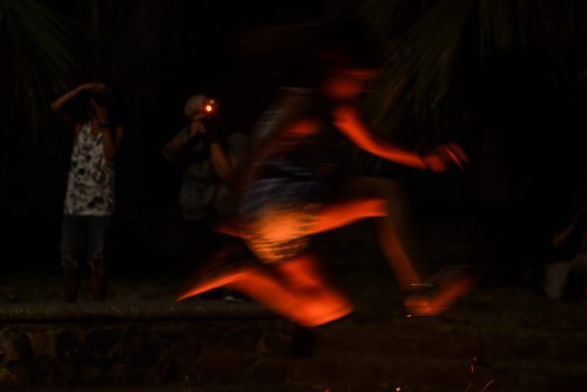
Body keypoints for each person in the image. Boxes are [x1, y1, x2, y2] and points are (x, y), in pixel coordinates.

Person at [177, 21, 473, 327]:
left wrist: (423, 159)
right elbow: (260, 153)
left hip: (272, 224)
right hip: (279, 209)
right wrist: (236, 200)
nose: (363, 90)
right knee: (384, 196)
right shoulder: (306, 104)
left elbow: (371, 143)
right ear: (335, 66)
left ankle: (243, 272)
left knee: (325, 308)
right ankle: (419, 289)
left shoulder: (324, 103)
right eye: (359, 80)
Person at [50, 82, 124, 301]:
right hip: (74, 205)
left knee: (98, 262)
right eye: (96, 97)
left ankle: (97, 311)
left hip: (101, 207)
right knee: (69, 260)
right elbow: (54, 108)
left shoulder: (115, 129)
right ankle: (70, 308)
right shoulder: (79, 127)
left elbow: (110, 156)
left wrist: (104, 120)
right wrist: (81, 89)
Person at [162, 94, 247, 275]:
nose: (206, 121)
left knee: (225, 252)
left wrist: (213, 140)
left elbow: (228, 174)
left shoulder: (234, 138)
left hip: (221, 208)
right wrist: (189, 137)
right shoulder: (189, 134)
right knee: (196, 254)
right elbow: (169, 155)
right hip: (192, 205)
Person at [544, 205, 587, 302]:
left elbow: (583, 251)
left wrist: (584, 230)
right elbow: (556, 242)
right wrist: (572, 226)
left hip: (573, 261)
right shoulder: (562, 223)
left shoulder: (583, 228)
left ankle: (586, 290)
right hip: (559, 263)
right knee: (555, 295)